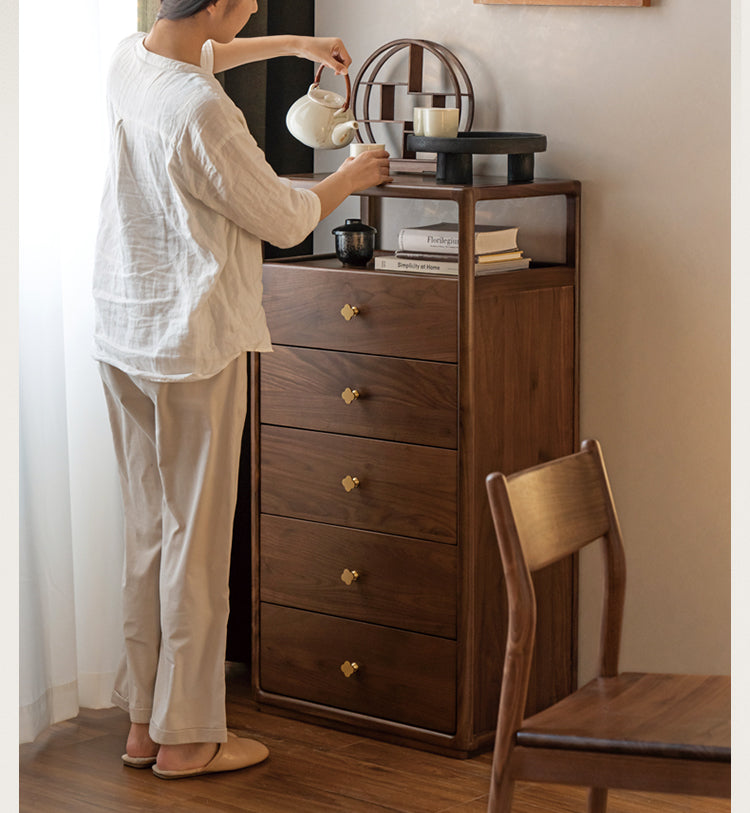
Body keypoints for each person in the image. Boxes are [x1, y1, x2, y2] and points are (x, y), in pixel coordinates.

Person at [92, 0, 391, 780]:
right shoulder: (203, 114)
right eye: (248, 0)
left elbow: (204, 57)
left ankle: (142, 723)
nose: (257, 3)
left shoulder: (132, 61)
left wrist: (296, 43)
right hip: (192, 341)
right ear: (219, 4)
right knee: (197, 537)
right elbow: (287, 219)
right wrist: (351, 177)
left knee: (150, 531)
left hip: (124, 326)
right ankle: (190, 734)